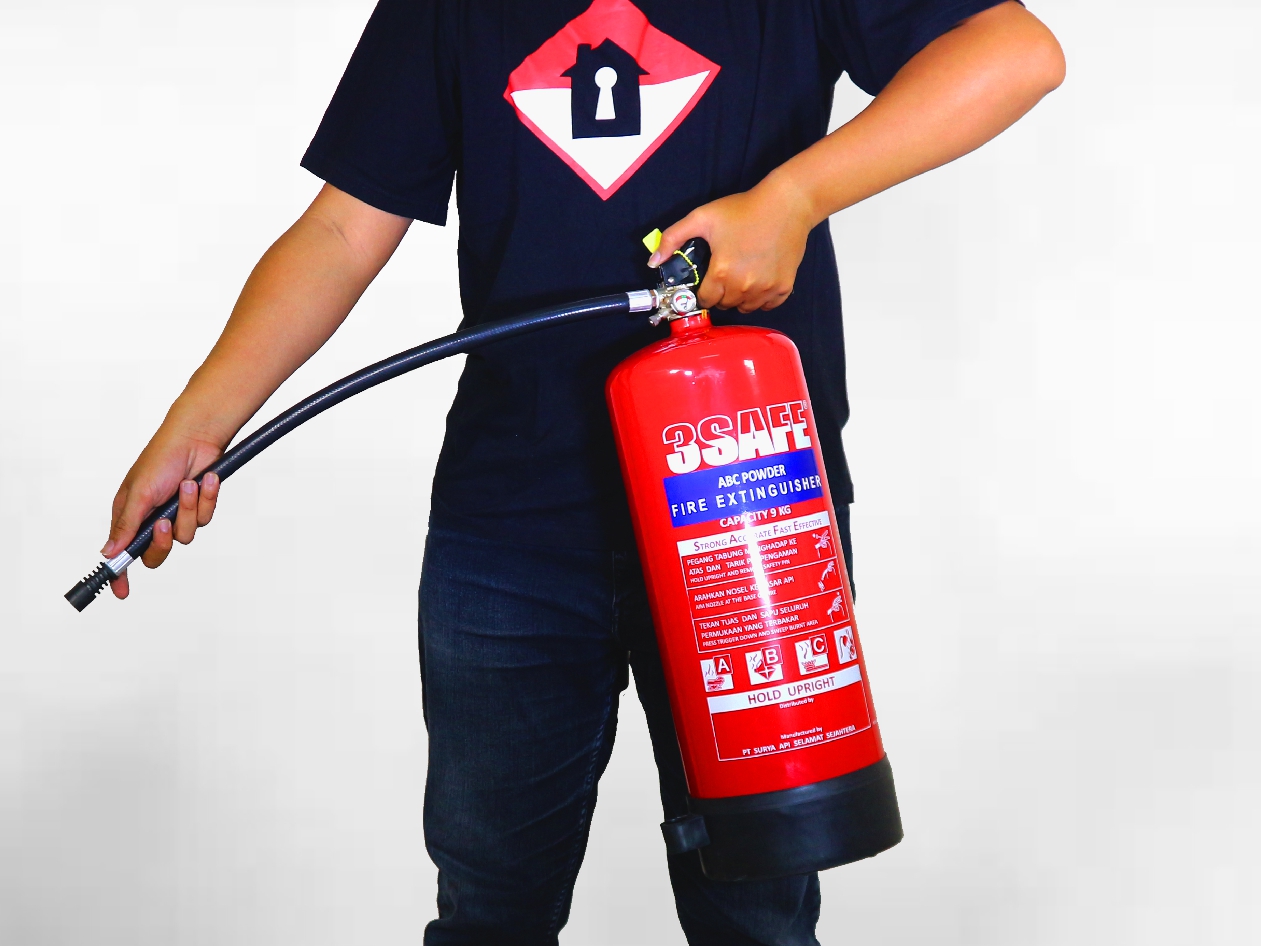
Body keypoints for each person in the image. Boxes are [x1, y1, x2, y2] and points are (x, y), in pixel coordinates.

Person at [99, 1, 1063, 942]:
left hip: (744, 509)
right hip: (510, 522)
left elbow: (1013, 50)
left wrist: (794, 198)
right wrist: (196, 426)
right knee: (491, 914)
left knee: (757, 915)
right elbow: (344, 228)